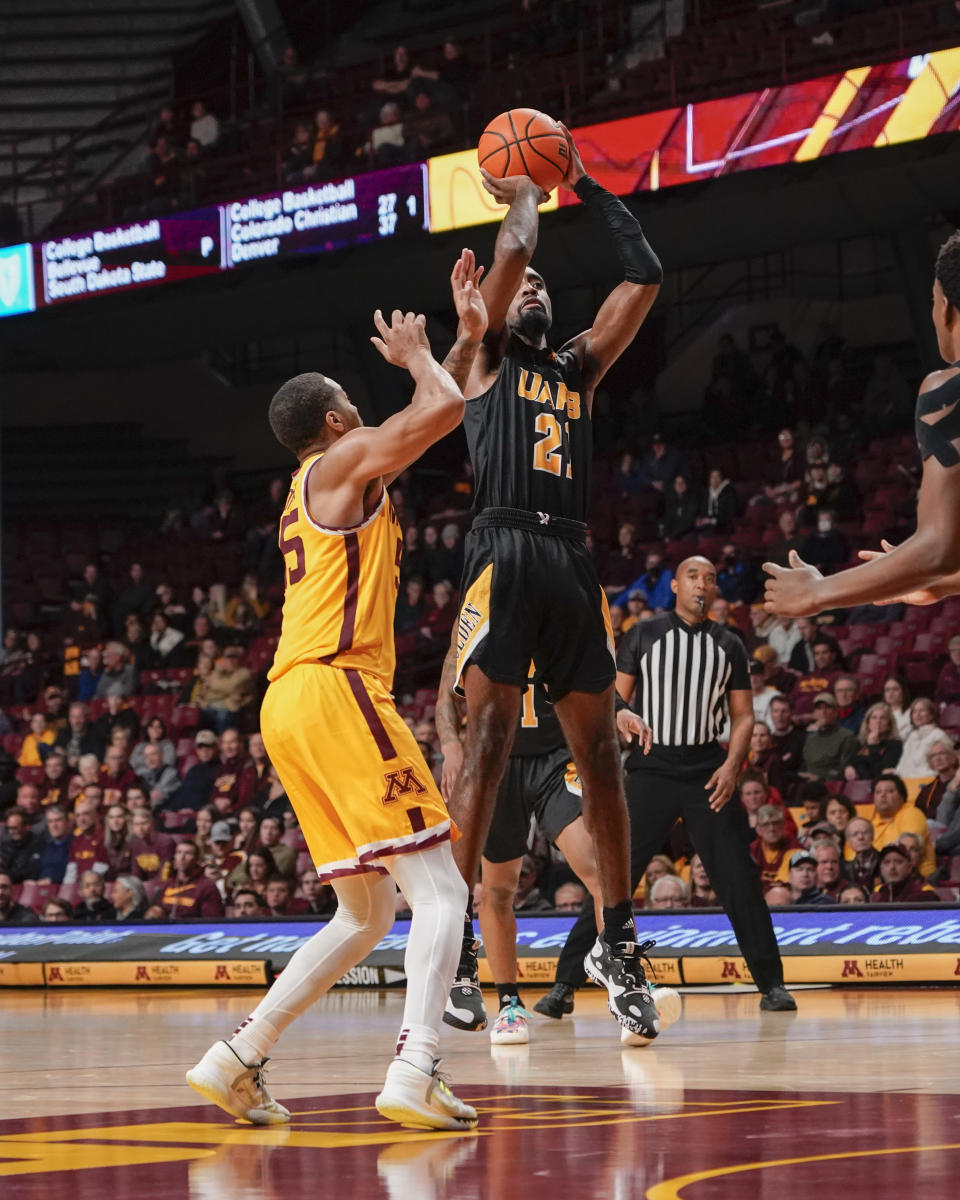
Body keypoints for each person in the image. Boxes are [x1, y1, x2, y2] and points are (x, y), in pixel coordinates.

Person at [186, 251, 486, 1134]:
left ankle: (236, 1056)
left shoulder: (319, 479)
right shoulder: (348, 455)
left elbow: (433, 415)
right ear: (333, 418)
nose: (368, 407)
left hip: (291, 703)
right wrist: (420, 359)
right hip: (338, 687)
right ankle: (416, 1067)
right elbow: (440, 408)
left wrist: (462, 339)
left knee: (366, 911)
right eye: (355, 400)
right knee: (441, 893)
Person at [444, 126, 664, 1043]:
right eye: (520, 289)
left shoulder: (573, 369)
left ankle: (620, 942)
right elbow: (517, 247)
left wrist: (586, 182)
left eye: (541, 290)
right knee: (488, 749)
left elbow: (644, 276)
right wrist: (525, 185)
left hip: (569, 555)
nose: (531, 288)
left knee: (602, 764)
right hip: (499, 553)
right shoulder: (480, 358)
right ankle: (452, 945)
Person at [542, 557, 796, 1020]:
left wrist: (733, 764)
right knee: (612, 877)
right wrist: (623, 719)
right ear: (675, 585)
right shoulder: (644, 632)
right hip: (651, 768)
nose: (703, 584)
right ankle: (564, 983)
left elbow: (743, 717)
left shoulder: (731, 645)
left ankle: (771, 983)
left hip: (706, 769)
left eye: (712, 578)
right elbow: (615, 696)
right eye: (694, 577)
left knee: (737, 876)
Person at [764, 231, 960, 615]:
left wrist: (817, 592)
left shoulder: (946, 391)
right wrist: (942, 582)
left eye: (933, 302)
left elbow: (940, 547)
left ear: (948, 310)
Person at [436, 647, 601, 1044]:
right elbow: (446, 696)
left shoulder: (556, 601)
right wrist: (451, 746)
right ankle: (510, 1003)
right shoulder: (475, 607)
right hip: (496, 759)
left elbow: (593, 672)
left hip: (554, 757)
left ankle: (626, 978)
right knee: (497, 889)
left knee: (598, 868)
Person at [799, 693, 858, 781]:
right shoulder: (810, 739)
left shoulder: (847, 736)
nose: (823, 712)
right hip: (808, 785)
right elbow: (804, 766)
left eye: (828, 707)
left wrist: (820, 778)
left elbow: (845, 770)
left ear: (835, 712)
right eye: (819, 708)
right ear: (814, 713)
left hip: (832, 786)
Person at [160, 841, 225, 917]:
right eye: (179, 852)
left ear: (197, 859)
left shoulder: (207, 887)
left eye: (188, 853)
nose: (182, 857)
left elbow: (211, 922)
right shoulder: (168, 884)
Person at [844, 702, 902, 781]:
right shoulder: (860, 743)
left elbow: (881, 773)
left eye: (883, 718)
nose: (878, 721)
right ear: (868, 723)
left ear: (889, 725)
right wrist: (849, 767)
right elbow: (853, 763)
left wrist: (873, 747)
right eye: (874, 717)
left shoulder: (895, 745)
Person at [869, 842, 939, 903]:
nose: (892, 867)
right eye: (887, 862)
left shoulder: (924, 895)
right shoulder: (877, 896)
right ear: (881, 868)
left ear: (909, 867)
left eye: (898, 862)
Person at [896, 698, 947, 779]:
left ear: (931, 715)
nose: (917, 715)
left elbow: (940, 768)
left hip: (927, 781)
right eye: (914, 712)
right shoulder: (912, 736)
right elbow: (902, 764)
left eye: (922, 711)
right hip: (907, 781)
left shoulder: (938, 735)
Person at [843, 817, 880, 892]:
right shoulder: (844, 869)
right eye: (855, 834)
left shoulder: (885, 862)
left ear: (872, 836)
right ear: (848, 841)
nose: (860, 837)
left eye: (865, 833)